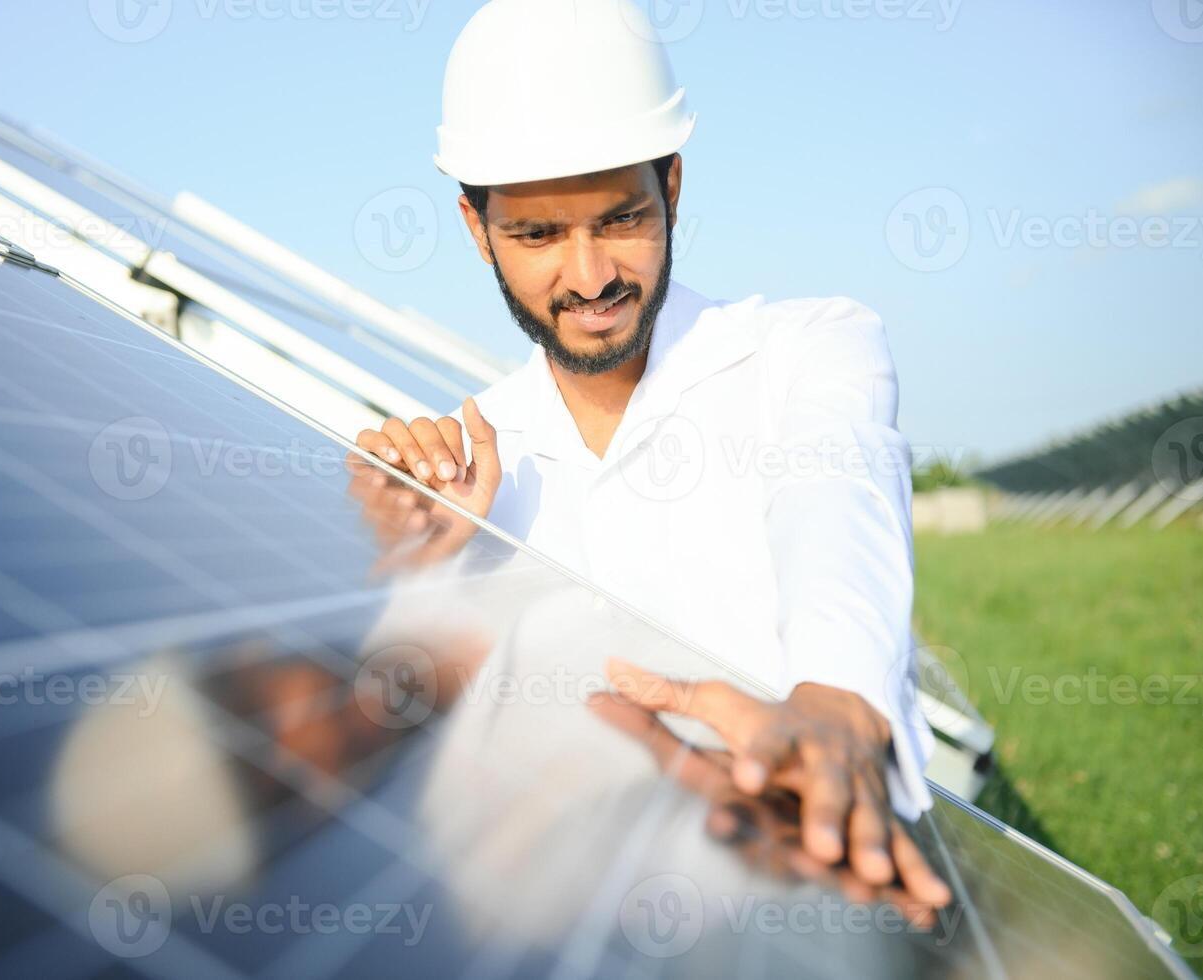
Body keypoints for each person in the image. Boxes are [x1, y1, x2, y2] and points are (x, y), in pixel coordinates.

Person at [353, 0, 950, 906]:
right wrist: (414, 559)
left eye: (620, 218)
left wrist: (835, 705)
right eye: (538, 235)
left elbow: (834, 507)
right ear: (477, 232)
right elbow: (394, 747)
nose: (590, 277)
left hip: (811, 909)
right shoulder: (464, 469)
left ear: (672, 187)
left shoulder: (806, 350)